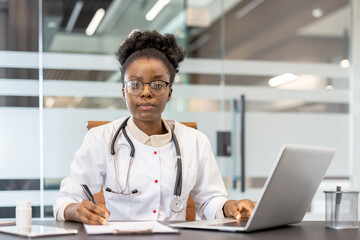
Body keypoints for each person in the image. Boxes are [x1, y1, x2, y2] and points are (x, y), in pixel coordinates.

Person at [53, 30, 255, 225]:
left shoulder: (195, 141)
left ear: (169, 93)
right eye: (135, 84)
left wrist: (231, 207)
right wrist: (75, 209)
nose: (146, 93)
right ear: (124, 92)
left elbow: (211, 201)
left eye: (157, 85)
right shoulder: (100, 138)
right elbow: (66, 198)